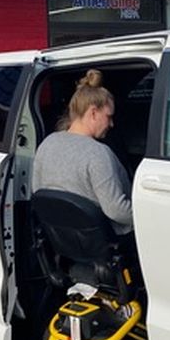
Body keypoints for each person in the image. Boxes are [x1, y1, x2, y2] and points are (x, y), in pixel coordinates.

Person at [32, 68, 133, 235]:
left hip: (63, 241)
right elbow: (116, 210)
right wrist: (146, 218)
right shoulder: (98, 153)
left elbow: (37, 192)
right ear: (93, 113)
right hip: (107, 245)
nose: (111, 124)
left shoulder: (47, 144)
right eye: (109, 116)